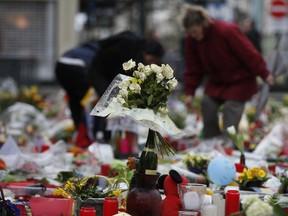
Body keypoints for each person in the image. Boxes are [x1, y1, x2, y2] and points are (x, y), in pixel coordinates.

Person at [55, 31, 165, 147]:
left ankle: (87, 137)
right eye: (152, 59)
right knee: (99, 105)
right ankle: (96, 139)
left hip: (97, 73)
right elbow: (121, 74)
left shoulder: (134, 48)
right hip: (97, 73)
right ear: (146, 52)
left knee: (79, 102)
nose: (151, 63)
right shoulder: (130, 49)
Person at [180, 5, 273, 140]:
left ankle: (230, 144)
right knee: (207, 104)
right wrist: (190, 92)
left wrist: (264, 73)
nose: (194, 36)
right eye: (190, 33)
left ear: (203, 24)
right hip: (217, 82)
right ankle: (212, 141)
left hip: (239, 80)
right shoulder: (192, 39)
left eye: (195, 31)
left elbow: (248, 53)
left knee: (231, 111)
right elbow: (193, 67)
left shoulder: (226, 30)